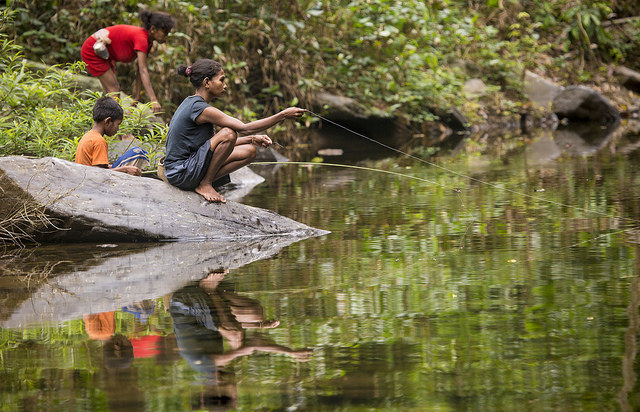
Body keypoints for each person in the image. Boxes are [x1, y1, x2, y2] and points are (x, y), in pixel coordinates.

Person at [164, 58, 306, 203]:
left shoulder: (193, 103)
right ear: (207, 82)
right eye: (221, 80)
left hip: (188, 167)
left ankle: (205, 182)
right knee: (229, 133)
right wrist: (282, 115)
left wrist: (251, 139)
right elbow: (244, 128)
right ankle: (205, 184)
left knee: (249, 151)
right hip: (180, 173)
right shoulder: (199, 108)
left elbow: (210, 146)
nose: (225, 86)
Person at [80, 10, 175, 113]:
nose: (166, 36)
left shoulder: (148, 42)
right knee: (114, 89)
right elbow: (143, 70)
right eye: (165, 32)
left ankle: (104, 118)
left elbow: (140, 70)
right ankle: (113, 122)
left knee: (110, 92)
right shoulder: (142, 38)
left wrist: (136, 98)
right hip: (93, 50)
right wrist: (153, 99)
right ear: (153, 29)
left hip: (105, 54)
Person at [75, 96, 142, 176]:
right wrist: (125, 170)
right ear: (108, 121)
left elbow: (98, 167)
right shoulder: (99, 141)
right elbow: (99, 173)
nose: (118, 129)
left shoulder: (88, 136)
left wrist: (113, 167)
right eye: (118, 124)